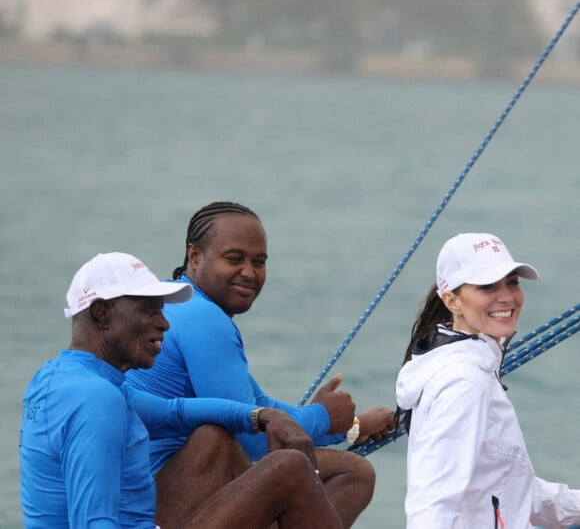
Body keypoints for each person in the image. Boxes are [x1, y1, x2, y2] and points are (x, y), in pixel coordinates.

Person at [19, 251, 344, 529]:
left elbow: (175, 412)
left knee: (213, 436)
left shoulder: (60, 378)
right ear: (102, 313)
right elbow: (93, 522)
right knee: (289, 468)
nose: (164, 323)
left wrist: (264, 417)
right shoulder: (97, 399)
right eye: (149, 309)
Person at [125, 201, 396, 528]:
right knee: (353, 473)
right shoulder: (204, 318)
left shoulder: (173, 298)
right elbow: (251, 438)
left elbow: (257, 407)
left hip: (156, 489)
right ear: (195, 256)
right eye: (234, 259)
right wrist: (323, 418)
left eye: (259, 261)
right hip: (156, 501)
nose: (249, 273)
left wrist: (350, 427)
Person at [395, 232, 580, 528]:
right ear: (451, 300)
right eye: (487, 286)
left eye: (512, 282)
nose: (506, 296)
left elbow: (510, 490)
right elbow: (434, 502)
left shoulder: (464, 364)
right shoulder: (465, 381)